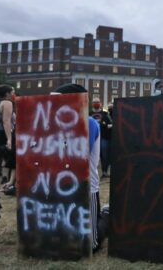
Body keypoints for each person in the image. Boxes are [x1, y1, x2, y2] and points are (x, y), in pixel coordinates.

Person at [52, 83, 104, 252]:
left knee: (89, 242)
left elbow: (78, 152)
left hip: (86, 185)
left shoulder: (89, 122)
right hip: (64, 183)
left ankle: (106, 220)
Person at [90, 97, 113, 178]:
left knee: (104, 155)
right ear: (92, 104)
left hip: (104, 137)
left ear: (100, 103)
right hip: (93, 137)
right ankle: (92, 173)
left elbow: (110, 124)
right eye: (94, 102)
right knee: (93, 156)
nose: (96, 103)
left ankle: (104, 171)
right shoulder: (89, 113)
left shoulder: (105, 114)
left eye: (97, 102)